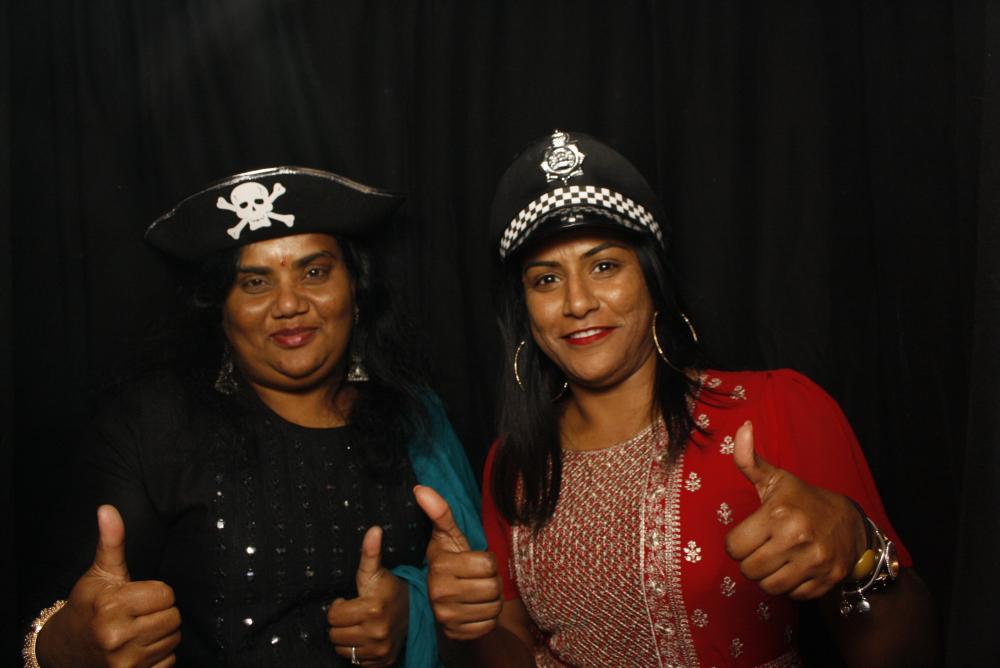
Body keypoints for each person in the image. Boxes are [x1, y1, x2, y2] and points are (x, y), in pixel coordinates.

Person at [414, 131, 937, 666]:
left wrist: (857, 547)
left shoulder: (773, 409)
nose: (577, 302)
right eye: (546, 279)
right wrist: (469, 627)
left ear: (652, 280)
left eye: (604, 266)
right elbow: (514, 653)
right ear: (525, 309)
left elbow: (909, 654)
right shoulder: (516, 462)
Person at [23, 167, 484, 667]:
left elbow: (480, 613)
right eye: (255, 282)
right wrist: (65, 645)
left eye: (314, 272)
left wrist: (417, 615)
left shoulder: (415, 418)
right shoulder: (151, 424)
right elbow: (57, 621)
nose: (288, 304)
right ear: (220, 310)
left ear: (356, 289)